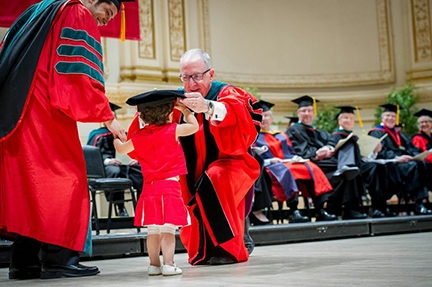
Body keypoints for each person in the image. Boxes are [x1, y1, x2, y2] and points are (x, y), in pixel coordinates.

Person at [0, 0, 131, 280]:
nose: (105, 21)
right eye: (106, 12)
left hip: (14, 113)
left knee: (27, 190)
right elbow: (78, 74)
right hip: (43, 113)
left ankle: (23, 263)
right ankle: (59, 260)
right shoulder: (75, 11)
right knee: (66, 180)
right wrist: (107, 116)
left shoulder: (37, 10)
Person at [173, 48, 262, 265]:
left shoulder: (227, 94)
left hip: (231, 164)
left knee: (215, 178)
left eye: (196, 76)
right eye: (185, 77)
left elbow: (242, 121)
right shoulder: (176, 99)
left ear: (210, 74)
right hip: (192, 167)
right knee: (187, 185)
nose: (191, 83)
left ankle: (228, 249)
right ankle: (202, 251)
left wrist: (208, 107)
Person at [114, 89, 198, 276]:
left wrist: (116, 139)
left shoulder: (138, 137)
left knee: (152, 230)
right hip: (170, 186)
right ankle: (168, 265)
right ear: (169, 112)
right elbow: (194, 127)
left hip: (149, 188)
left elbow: (121, 148)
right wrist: (186, 112)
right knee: (168, 229)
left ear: (142, 116)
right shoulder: (173, 130)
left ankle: (154, 265)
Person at [253, 100, 336, 223]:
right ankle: (293, 211)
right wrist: (271, 161)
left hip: (287, 163)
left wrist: (296, 158)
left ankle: (320, 209)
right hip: (270, 168)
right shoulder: (254, 136)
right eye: (261, 116)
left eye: (267, 115)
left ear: (272, 118)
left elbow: (291, 152)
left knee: (311, 168)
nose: (264, 119)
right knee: (291, 171)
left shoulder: (280, 135)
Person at [286, 96, 367, 220]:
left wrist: (329, 148)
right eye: (303, 111)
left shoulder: (319, 131)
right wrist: (317, 154)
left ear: (313, 113)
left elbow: (329, 141)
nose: (307, 114)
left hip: (327, 163)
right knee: (344, 171)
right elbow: (299, 151)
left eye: (309, 110)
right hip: (311, 163)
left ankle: (349, 209)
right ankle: (333, 209)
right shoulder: (293, 130)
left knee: (349, 170)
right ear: (298, 113)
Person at [331, 106, 396, 218]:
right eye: (346, 118)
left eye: (351, 118)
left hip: (359, 164)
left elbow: (364, 156)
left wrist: (375, 151)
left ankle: (379, 206)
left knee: (379, 167)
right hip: (341, 166)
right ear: (339, 120)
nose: (349, 121)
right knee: (359, 170)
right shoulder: (334, 136)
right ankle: (355, 209)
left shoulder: (355, 137)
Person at [368, 104, 432, 215]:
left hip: (404, 163)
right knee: (415, 166)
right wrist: (397, 158)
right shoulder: (376, 132)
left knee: (420, 164)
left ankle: (419, 203)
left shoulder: (399, 133)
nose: (391, 118)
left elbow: (411, 148)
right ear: (382, 118)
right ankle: (418, 204)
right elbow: (381, 152)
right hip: (389, 163)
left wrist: (416, 156)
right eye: (388, 115)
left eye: (393, 116)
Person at [87, 102, 144, 216]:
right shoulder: (97, 135)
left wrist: (137, 159)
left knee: (140, 172)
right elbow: (93, 158)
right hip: (106, 167)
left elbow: (137, 150)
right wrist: (109, 161)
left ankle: (141, 209)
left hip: (125, 166)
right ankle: (120, 207)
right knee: (115, 171)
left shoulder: (124, 134)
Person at [411, 108, 432, 191]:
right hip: (425, 167)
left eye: (426, 122)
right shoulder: (417, 138)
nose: (424, 124)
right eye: (421, 122)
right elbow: (422, 155)